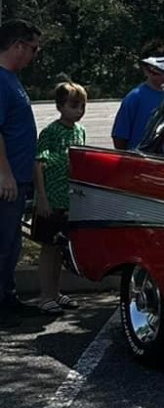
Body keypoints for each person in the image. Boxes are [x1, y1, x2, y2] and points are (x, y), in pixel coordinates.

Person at [0, 18, 46, 328]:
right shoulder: (1, 80)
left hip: (18, 178)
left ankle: (7, 297)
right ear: (17, 46)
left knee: (11, 242)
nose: (34, 56)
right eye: (33, 49)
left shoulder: (12, 79)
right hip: (7, 181)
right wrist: (4, 174)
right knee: (3, 242)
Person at [32, 81, 87, 313]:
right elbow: (39, 164)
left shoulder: (80, 131)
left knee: (61, 248)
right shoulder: (50, 133)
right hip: (51, 200)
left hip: (69, 199)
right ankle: (45, 295)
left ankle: (56, 292)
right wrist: (42, 198)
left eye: (82, 106)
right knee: (48, 247)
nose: (79, 110)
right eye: (74, 105)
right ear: (60, 106)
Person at [112, 39, 164, 150]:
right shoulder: (135, 98)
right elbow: (120, 136)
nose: (162, 74)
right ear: (145, 69)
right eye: (154, 69)